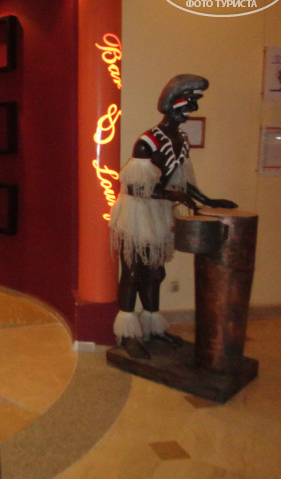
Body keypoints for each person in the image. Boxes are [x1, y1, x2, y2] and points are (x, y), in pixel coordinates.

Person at [108, 74, 236, 359]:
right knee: (133, 270)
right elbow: (135, 188)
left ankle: (152, 326)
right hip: (137, 212)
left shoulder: (180, 140)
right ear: (172, 105)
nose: (191, 111)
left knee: (155, 272)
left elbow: (182, 181)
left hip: (158, 211)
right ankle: (127, 334)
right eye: (187, 105)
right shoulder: (149, 141)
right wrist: (175, 197)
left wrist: (206, 200)